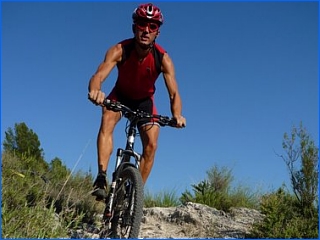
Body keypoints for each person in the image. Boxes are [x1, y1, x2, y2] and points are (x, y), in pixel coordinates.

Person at [88, 3, 186, 201]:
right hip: (120, 95)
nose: (146, 30)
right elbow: (99, 74)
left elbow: (174, 93)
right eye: (142, 24)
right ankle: (101, 177)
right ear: (134, 27)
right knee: (107, 119)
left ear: (157, 32)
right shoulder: (120, 50)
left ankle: (134, 194)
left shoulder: (163, 58)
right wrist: (95, 91)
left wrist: (176, 115)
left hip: (144, 102)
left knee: (152, 143)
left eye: (152, 27)